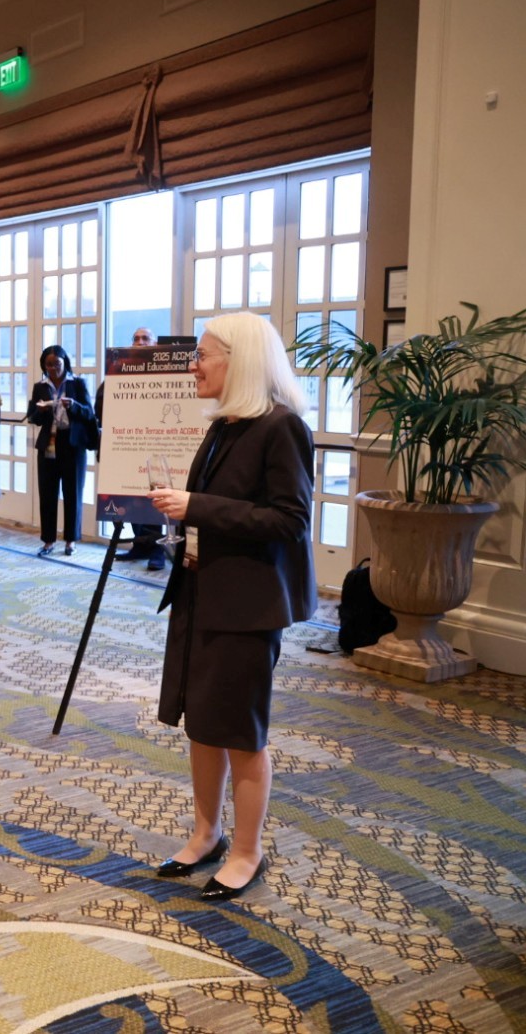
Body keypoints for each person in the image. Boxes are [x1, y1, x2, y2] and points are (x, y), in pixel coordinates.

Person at [148, 311, 315, 902]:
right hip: (202, 590)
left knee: (241, 733)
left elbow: (290, 520)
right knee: (202, 722)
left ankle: (247, 852)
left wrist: (196, 507)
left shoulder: (281, 427)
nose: (193, 366)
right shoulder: (226, 424)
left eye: (202, 355)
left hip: (247, 606)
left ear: (237, 361)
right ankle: (206, 835)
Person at [25, 344, 95, 556]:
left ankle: (71, 540)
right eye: (49, 364)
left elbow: (89, 414)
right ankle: (48, 541)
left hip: (72, 444)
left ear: (65, 362)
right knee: (47, 494)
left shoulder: (77, 384)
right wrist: (40, 411)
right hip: (49, 443)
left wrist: (73, 405)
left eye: (57, 363)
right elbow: (32, 418)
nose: (53, 368)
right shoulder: (40, 386)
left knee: (73, 493)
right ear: (43, 366)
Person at [112, 326, 167, 571]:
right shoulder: (120, 370)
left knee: (155, 500)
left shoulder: (165, 371)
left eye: (146, 338)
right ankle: (139, 545)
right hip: (129, 445)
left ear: (155, 344)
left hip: (157, 445)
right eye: (136, 338)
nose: (140, 342)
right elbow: (105, 402)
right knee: (133, 498)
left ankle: (157, 550)